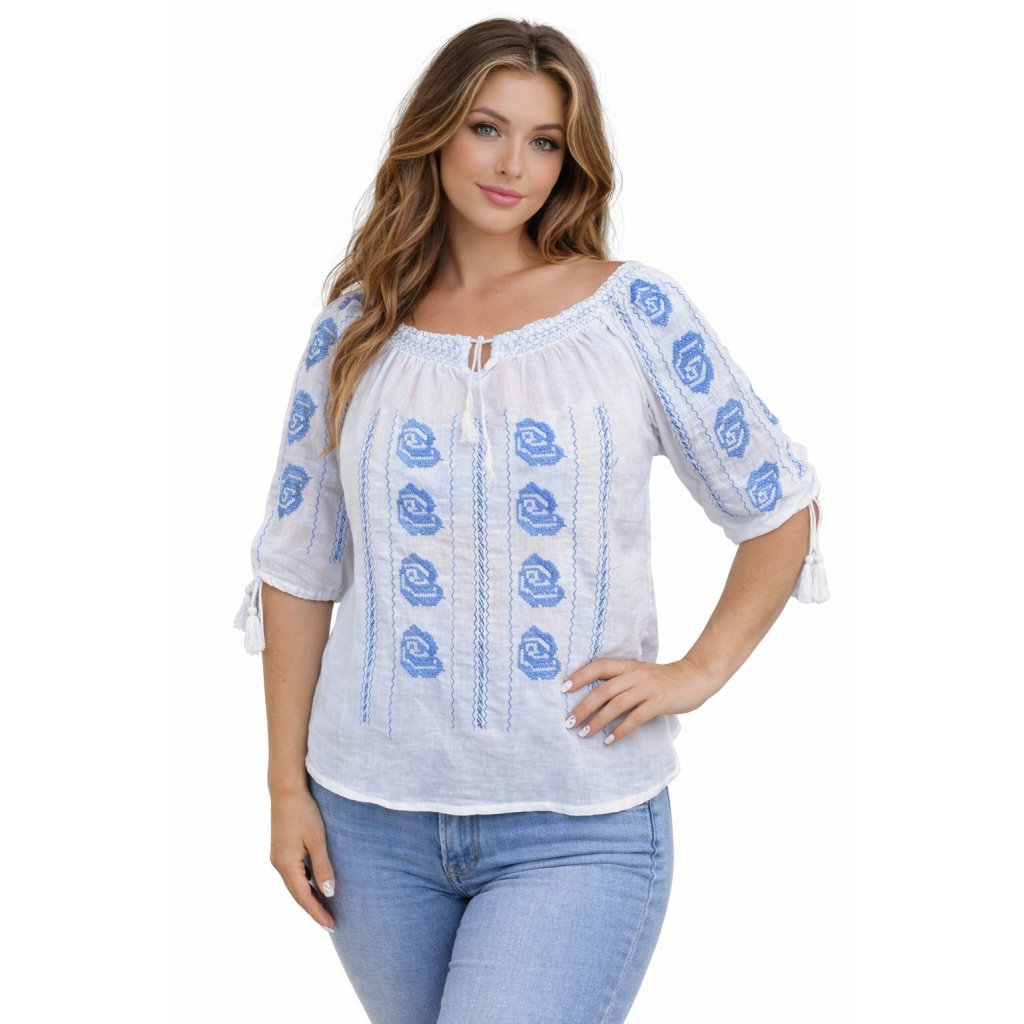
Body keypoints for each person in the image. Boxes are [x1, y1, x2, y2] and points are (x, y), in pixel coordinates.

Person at [234, 16, 829, 1024]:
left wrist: (697, 670)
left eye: (545, 140)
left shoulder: (632, 313)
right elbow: (299, 563)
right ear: (435, 133)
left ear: (570, 160)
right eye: (487, 128)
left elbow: (777, 502)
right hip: (368, 824)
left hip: (577, 824)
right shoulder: (356, 325)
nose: (515, 164)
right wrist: (285, 789)